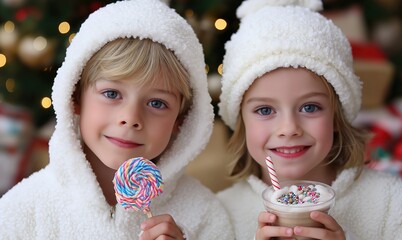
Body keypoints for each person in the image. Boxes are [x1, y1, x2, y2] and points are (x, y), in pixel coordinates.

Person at [0, 0, 233, 239]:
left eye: (157, 103)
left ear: (181, 120)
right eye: (111, 94)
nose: (130, 118)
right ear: (75, 97)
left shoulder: (205, 214)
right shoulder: (21, 212)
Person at [216, 0, 402, 239]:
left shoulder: (387, 200)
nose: (289, 129)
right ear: (241, 122)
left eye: (310, 107)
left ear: (337, 116)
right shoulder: (221, 213)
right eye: (265, 110)